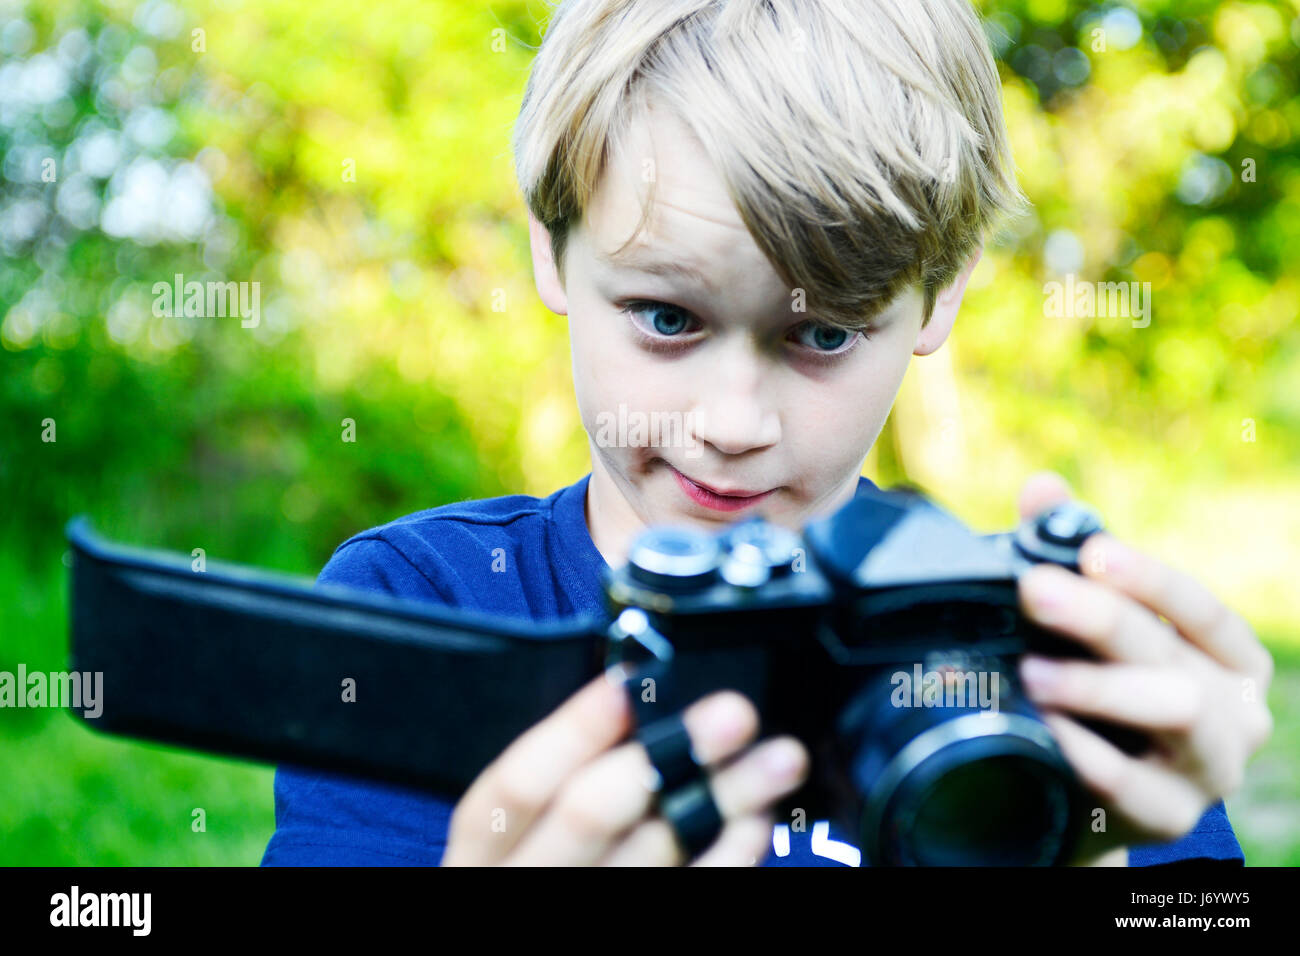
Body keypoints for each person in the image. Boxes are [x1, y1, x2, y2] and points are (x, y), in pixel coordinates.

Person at [261, 0, 1273, 866]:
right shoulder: (422, 608)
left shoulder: (1030, 665)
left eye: (822, 333)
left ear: (938, 297)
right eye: (667, 317)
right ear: (551, 246)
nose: (731, 425)